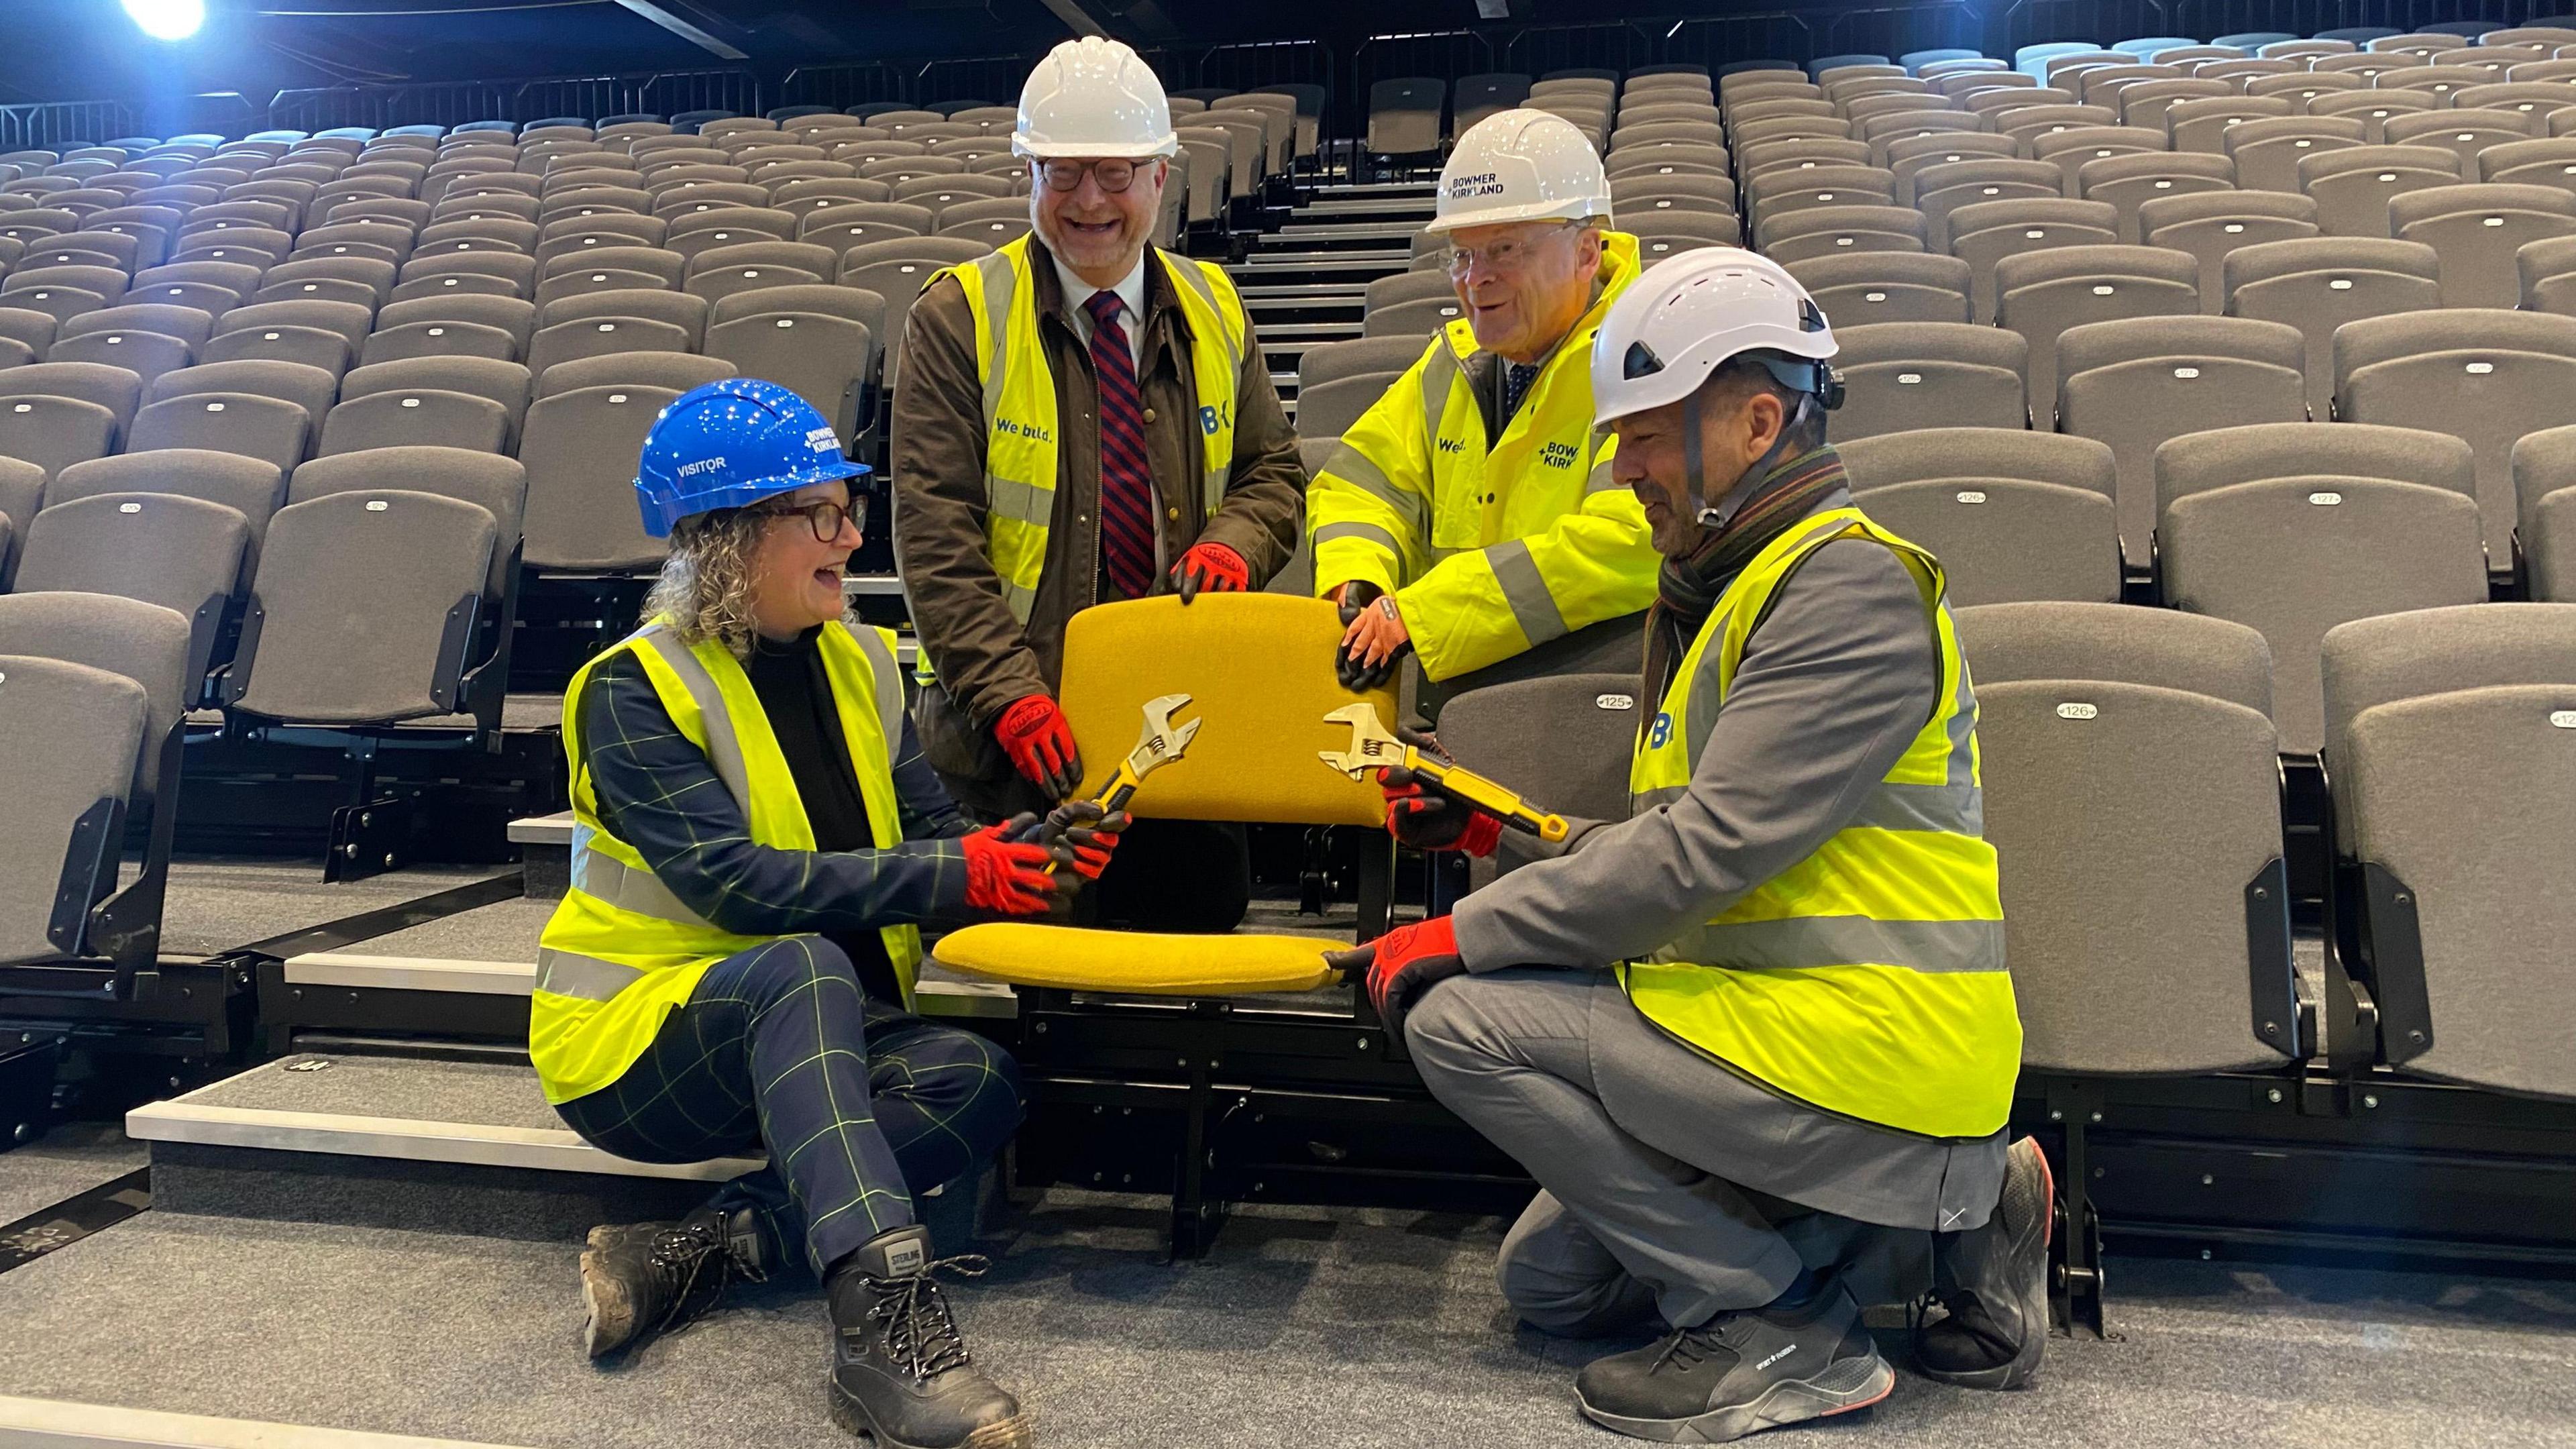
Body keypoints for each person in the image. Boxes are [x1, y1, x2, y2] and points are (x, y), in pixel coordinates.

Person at [1328, 251, 2046, 1444]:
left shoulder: (1846, 590)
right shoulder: (1728, 583)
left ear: (1758, 421)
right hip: (1761, 1037)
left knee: (1456, 1017)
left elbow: (1701, 858)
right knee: (1551, 1289)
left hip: (1869, 1051)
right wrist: (1497, 836)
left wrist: (1460, 931)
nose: (1625, 472)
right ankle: (1949, 1220)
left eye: (1649, 438)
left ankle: (1789, 1329)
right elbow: (1669, 840)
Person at [538, 380, 1122, 1449]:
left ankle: (707, 1246)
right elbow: (739, 890)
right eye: (820, 513)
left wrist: (1034, 861)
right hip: (637, 1044)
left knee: (977, 1079)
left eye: (847, 507)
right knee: (801, 961)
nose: (852, 535)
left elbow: (930, 836)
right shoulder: (630, 690)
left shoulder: (864, 658)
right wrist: (960, 874)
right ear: (726, 538)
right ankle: (883, 1327)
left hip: (820, 1029)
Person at [894, 36, 1305, 932]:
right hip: (1011, 744)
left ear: (1160, 176)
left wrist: (1234, 542)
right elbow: (935, 538)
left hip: (1177, 730)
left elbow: (1275, 472)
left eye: (1114, 174)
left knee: (1190, 935)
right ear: (1030, 175)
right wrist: (1010, 695)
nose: (1088, 202)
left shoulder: (1215, 307)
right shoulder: (957, 316)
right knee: (1024, 980)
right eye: (1061, 173)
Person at [1305, 109, 1659, 712]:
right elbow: (1361, 485)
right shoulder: (1452, 362)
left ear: (1587, 253)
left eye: (1505, 249)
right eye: (1463, 256)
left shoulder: (1648, 363)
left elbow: (1628, 540)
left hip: (1584, 707)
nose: (1477, 280)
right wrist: (1357, 580)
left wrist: (1424, 612)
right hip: (1446, 697)